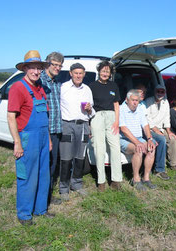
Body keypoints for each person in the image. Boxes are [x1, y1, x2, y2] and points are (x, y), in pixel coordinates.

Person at [7, 50, 54, 225]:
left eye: (38, 68)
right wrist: (17, 143)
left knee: (43, 174)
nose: (36, 71)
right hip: (27, 138)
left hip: (42, 137)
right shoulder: (18, 88)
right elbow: (11, 116)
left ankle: (40, 209)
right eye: (32, 68)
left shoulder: (40, 87)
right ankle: (24, 214)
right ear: (25, 68)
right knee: (27, 175)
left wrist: (48, 138)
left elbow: (45, 118)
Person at [59, 63, 95, 200]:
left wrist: (89, 109)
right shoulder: (63, 88)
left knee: (80, 157)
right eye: (76, 73)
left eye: (81, 73)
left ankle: (77, 184)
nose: (78, 76)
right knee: (66, 158)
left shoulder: (87, 89)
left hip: (83, 125)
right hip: (67, 125)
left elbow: (91, 110)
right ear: (71, 73)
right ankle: (63, 188)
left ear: (84, 74)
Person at [88, 61, 122, 192]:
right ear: (99, 72)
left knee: (115, 147)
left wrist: (117, 122)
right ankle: (101, 181)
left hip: (111, 117)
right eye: (103, 71)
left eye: (107, 71)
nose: (105, 73)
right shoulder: (92, 86)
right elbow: (89, 106)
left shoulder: (113, 86)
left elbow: (116, 105)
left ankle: (116, 180)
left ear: (110, 73)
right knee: (99, 148)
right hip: (97, 117)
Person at [39, 52, 64, 205]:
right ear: (47, 64)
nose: (57, 68)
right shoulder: (39, 80)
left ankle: (46, 195)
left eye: (60, 66)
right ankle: (42, 197)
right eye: (54, 64)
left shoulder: (56, 82)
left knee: (52, 163)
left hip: (56, 129)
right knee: (44, 165)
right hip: (44, 130)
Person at [119, 89, 157, 191]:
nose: (135, 102)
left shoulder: (140, 108)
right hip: (124, 139)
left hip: (138, 138)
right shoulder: (121, 109)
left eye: (137, 100)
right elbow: (124, 129)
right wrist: (138, 143)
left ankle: (146, 178)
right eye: (133, 100)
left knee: (151, 148)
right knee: (138, 149)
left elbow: (145, 125)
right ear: (127, 100)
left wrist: (149, 139)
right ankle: (135, 179)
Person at [146, 85, 176, 179]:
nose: (160, 94)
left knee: (172, 138)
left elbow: (166, 118)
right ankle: (160, 169)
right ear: (154, 92)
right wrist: (155, 129)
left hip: (161, 128)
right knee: (162, 139)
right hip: (151, 128)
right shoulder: (149, 101)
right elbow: (147, 118)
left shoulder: (165, 102)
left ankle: (173, 164)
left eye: (162, 92)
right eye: (158, 91)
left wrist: (169, 131)